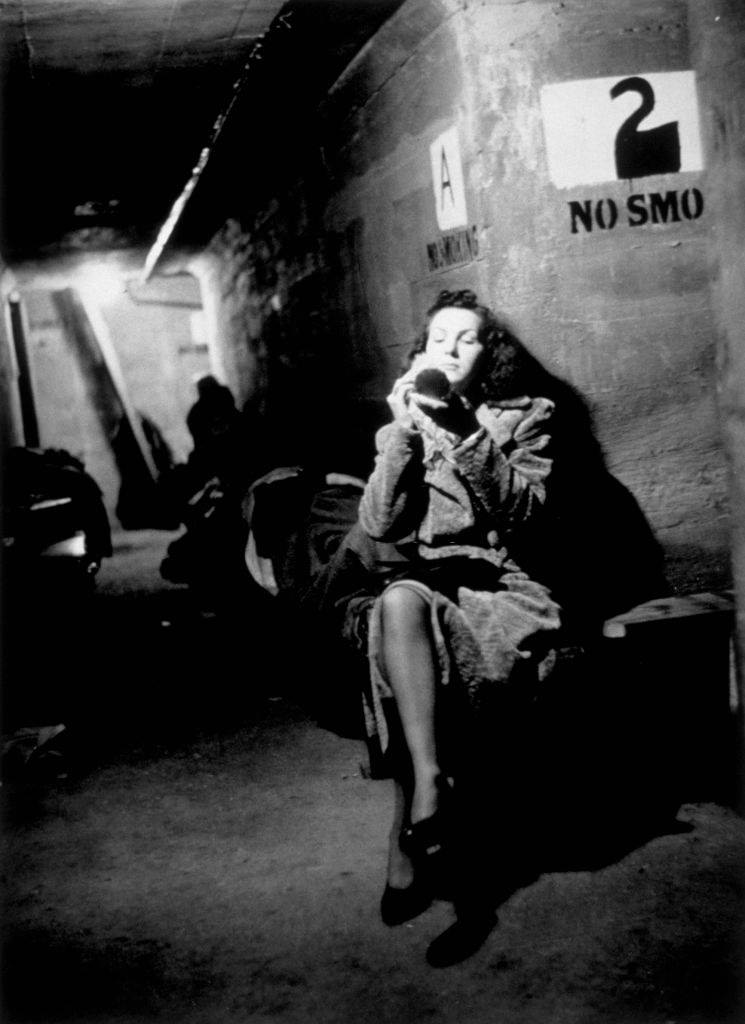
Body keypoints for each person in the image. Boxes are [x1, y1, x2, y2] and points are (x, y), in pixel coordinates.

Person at [337, 289, 563, 965]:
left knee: (401, 634)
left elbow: (523, 514)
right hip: (432, 585)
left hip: (506, 589)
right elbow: (378, 525)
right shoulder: (404, 423)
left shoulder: (526, 417)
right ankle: (432, 786)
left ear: (488, 355)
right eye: (440, 338)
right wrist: (402, 432)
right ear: (422, 352)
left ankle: (410, 841)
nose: (451, 349)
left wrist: (461, 429)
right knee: (396, 605)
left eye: (467, 339)